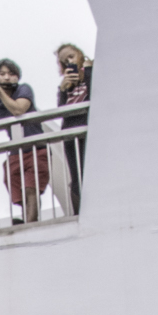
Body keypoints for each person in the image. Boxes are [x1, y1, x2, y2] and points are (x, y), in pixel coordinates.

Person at [0, 59, 50, 223]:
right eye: (1, 74)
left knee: (31, 188)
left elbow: (18, 109)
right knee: (18, 190)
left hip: (36, 147)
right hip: (16, 150)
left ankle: (30, 224)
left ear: (18, 77)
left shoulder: (23, 89)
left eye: (11, 74)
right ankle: (29, 219)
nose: (7, 78)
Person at [55, 44, 93, 213]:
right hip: (71, 134)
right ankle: (80, 214)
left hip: (90, 130)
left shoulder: (93, 74)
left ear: (80, 54)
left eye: (71, 56)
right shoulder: (65, 84)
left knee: (92, 172)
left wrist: (89, 71)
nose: (69, 61)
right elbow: (62, 111)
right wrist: (63, 89)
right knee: (76, 177)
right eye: (64, 61)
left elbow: (96, 95)